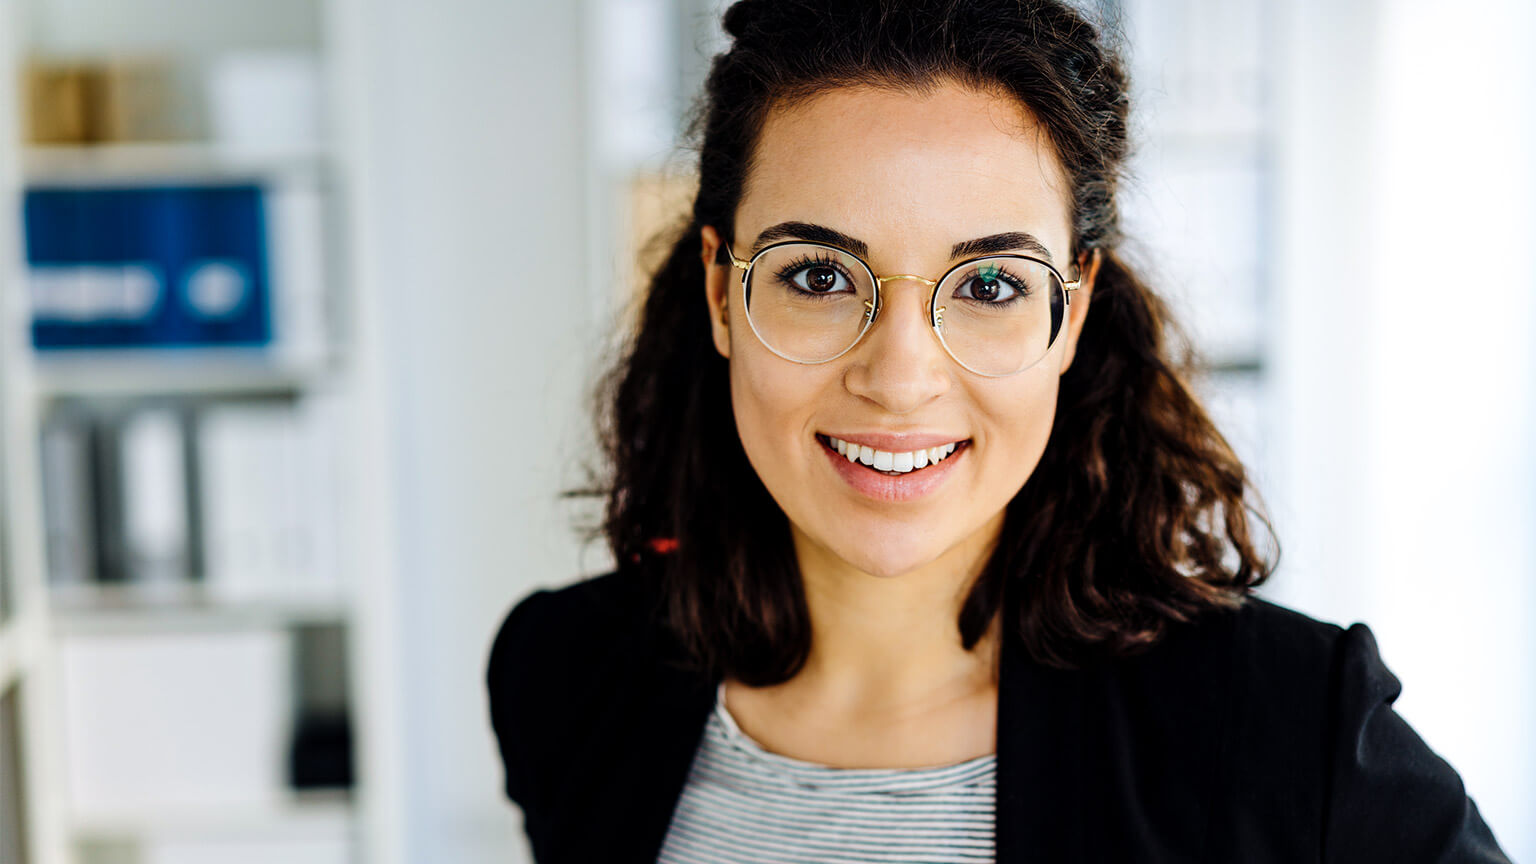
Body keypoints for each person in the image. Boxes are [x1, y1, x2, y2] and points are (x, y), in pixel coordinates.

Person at [485, 1, 1514, 861]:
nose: (899, 377)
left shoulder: (1291, 731)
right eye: (817, 276)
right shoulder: (565, 676)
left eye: (987, 284)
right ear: (721, 288)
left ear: (1071, 312)